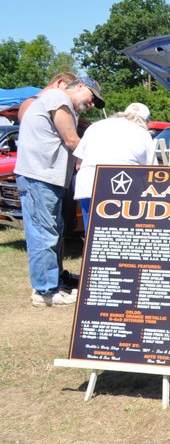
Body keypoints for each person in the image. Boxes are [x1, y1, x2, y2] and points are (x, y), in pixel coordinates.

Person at [14, 76, 104, 307]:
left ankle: (55, 281)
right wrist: (103, 156)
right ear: (80, 86)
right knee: (44, 233)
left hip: (47, 178)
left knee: (53, 231)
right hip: (39, 177)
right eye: (93, 98)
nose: (92, 104)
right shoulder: (58, 97)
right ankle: (45, 291)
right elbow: (73, 141)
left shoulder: (60, 102)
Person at [74, 102, 156, 231]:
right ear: (146, 121)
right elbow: (151, 172)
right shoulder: (143, 133)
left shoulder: (96, 126)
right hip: (122, 189)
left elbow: (79, 164)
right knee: (119, 236)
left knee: (92, 235)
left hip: (88, 185)